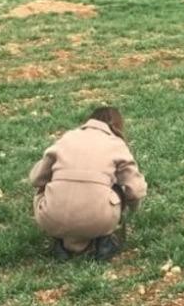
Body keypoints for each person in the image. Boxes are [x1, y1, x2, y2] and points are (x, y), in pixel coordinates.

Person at [29, 106, 147, 261]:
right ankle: (102, 241)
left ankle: (64, 240)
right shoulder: (116, 144)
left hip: (51, 219)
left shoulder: (66, 138)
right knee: (116, 189)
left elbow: (36, 179)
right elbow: (136, 190)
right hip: (99, 221)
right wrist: (131, 209)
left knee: (44, 188)